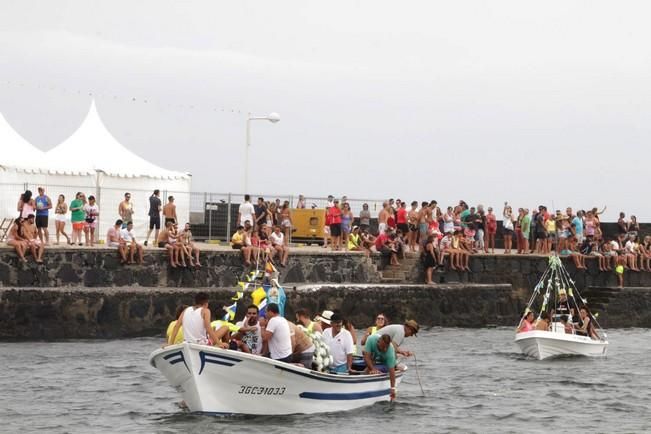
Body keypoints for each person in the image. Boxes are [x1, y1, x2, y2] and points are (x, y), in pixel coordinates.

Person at [363, 334, 397, 400]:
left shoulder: (390, 351)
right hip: (374, 358)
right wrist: (373, 369)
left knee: (368, 370)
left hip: (386, 363)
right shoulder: (371, 339)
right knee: (368, 367)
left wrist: (393, 388)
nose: (384, 349)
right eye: (383, 347)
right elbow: (366, 357)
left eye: (386, 347)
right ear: (378, 342)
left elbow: (392, 372)